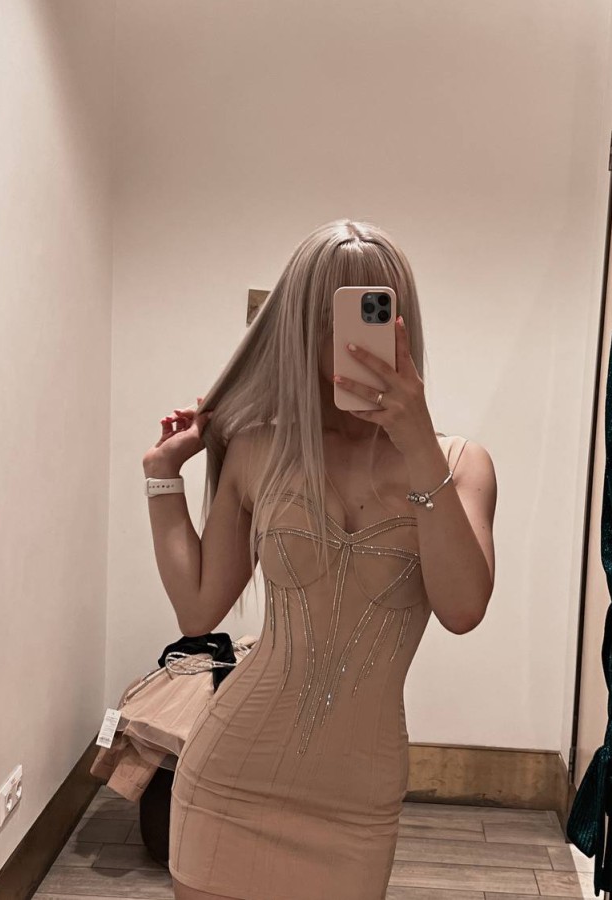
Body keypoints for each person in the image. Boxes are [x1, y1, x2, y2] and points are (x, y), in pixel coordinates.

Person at [142, 218, 497, 900]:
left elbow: (462, 610)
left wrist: (417, 440)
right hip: (230, 778)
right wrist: (162, 477)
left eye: (371, 314)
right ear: (299, 327)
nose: (347, 342)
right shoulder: (257, 449)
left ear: (401, 323)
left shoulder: (461, 465)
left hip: (357, 802)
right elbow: (197, 610)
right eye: (328, 318)